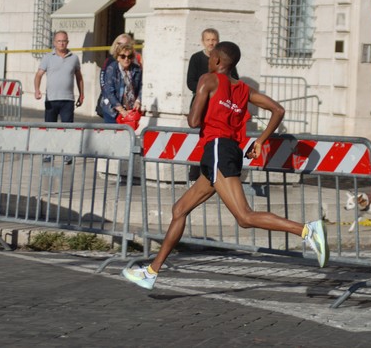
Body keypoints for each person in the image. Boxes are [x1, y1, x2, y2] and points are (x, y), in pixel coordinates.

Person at [122, 41, 329, 290]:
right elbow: (278, 109)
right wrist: (261, 140)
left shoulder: (208, 80)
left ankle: (308, 231)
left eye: (211, 57)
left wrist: (205, 106)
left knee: (244, 216)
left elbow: (193, 120)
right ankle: (152, 272)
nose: (208, 60)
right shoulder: (244, 89)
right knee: (180, 209)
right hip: (227, 150)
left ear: (219, 61)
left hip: (218, 149)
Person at [186, 28, 238, 180]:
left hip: (220, 105)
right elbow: (191, 82)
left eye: (213, 39)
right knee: (201, 137)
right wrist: (207, 90)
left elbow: (234, 79)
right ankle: (195, 171)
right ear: (203, 41)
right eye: (208, 40)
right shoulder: (196, 58)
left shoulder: (226, 59)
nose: (211, 42)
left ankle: (214, 170)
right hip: (201, 103)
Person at [34, 30, 84, 163]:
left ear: (67, 42)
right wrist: (37, 90)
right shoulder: (47, 57)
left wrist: (82, 94)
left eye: (64, 41)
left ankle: (67, 154)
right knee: (50, 126)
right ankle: (48, 153)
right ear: (54, 42)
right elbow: (38, 75)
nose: (62, 43)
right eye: (59, 41)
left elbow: (79, 77)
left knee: (68, 128)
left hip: (68, 99)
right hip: (51, 99)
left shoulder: (74, 57)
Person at [97, 33, 142, 118]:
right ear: (118, 57)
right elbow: (106, 88)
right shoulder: (111, 65)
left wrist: (138, 100)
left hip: (130, 110)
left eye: (129, 56)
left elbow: (141, 86)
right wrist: (120, 109)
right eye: (123, 56)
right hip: (113, 109)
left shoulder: (136, 67)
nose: (126, 59)